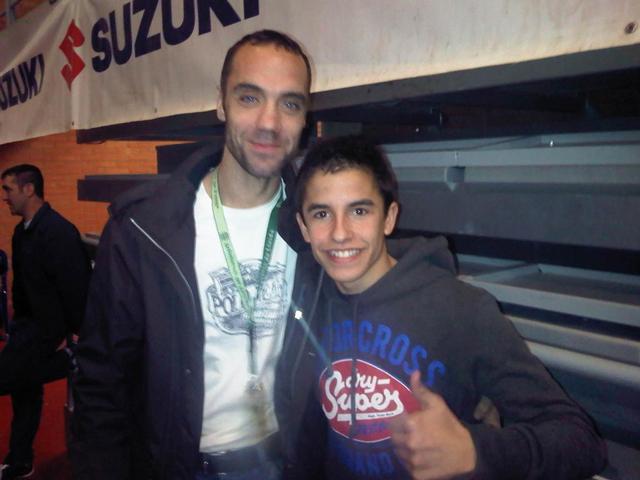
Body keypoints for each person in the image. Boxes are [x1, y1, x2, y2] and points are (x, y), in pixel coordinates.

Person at [275, 136, 607, 480]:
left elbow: (581, 441)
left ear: (389, 218)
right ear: (304, 228)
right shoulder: (310, 299)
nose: (340, 233)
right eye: (322, 214)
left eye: (359, 211)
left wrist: (474, 450)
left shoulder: (462, 311)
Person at [70, 30, 312, 480]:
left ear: (304, 117)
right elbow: (102, 382)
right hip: (182, 468)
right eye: (249, 98)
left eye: (290, 104)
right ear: (221, 103)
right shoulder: (145, 229)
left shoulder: (317, 226)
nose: (270, 122)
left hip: (287, 464)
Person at [0, 164, 91, 480]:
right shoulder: (20, 232)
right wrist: (14, 323)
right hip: (25, 329)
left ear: (29, 189)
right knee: (24, 393)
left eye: (8, 189)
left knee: (7, 378)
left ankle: (68, 359)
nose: (4, 197)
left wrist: (73, 333)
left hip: (49, 333)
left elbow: (76, 288)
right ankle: (21, 461)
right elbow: (22, 286)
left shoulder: (59, 232)